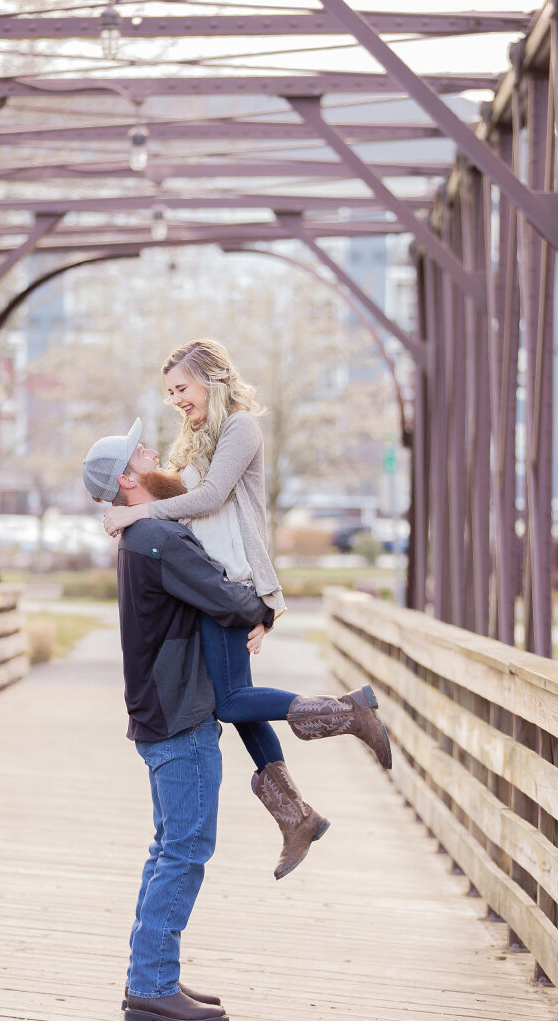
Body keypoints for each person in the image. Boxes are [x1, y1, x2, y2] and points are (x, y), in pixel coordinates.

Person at [103, 342, 391, 881]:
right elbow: (175, 489)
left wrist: (138, 512)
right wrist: (123, 507)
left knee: (233, 701)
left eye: (182, 389)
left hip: (237, 580)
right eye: (170, 393)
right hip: (215, 579)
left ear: (211, 380)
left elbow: (209, 497)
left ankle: (349, 713)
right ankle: (296, 817)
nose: (176, 401)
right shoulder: (196, 434)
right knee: (236, 703)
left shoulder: (240, 429)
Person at [82, 419, 277, 1021]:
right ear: (129, 481)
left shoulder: (146, 535)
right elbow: (224, 596)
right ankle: (152, 988)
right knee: (184, 851)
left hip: (163, 711)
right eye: (140, 451)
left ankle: (153, 978)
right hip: (178, 714)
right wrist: (265, 606)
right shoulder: (156, 540)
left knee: (170, 847)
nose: (152, 450)